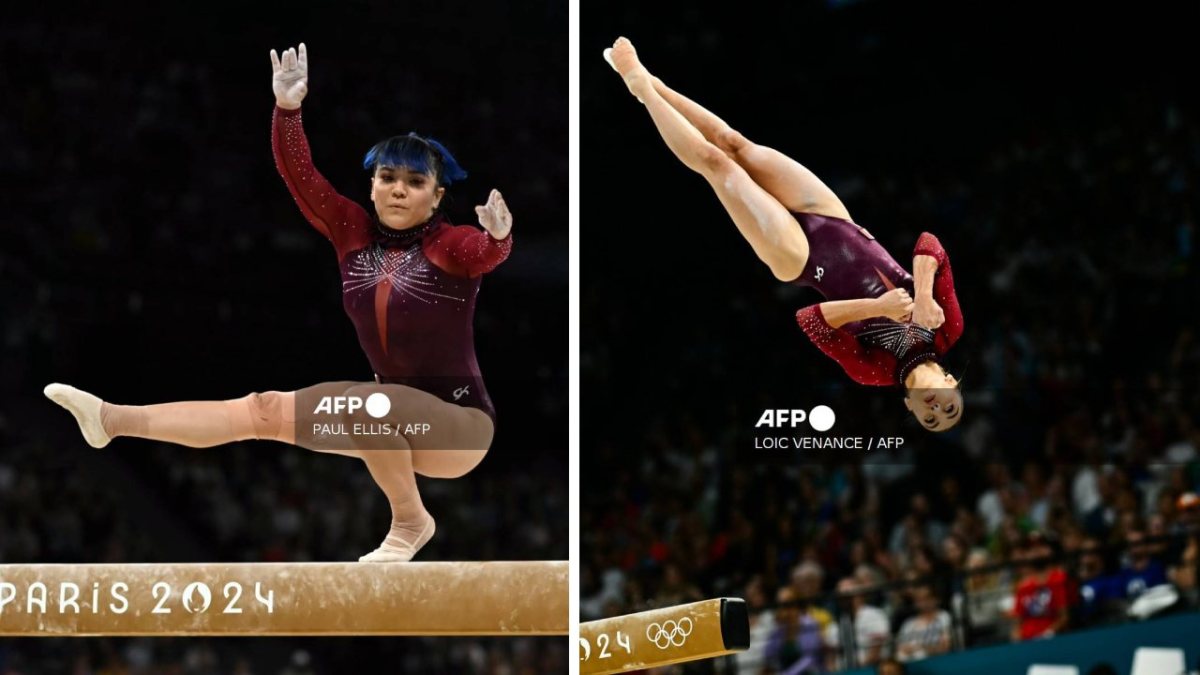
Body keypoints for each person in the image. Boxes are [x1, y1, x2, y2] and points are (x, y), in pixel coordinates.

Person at [44, 43, 514, 563]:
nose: (399, 191)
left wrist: (497, 238)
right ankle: (112, 420)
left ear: (437, 196)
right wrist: (287, 111)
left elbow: (482, 254)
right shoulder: (351, 231)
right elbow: (302, 178)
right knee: (262, 410)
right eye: (388, 178)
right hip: (381, 422)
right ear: (372, 185)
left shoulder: (446, 246)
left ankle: (410, 521)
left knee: (364, 404)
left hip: (459, 429)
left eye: (415, 182)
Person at [603, 37, 964, 431]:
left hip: (800, 259)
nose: (936, 409)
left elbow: (809, 320)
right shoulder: (947, 329)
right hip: (835, 220)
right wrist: (925, 296)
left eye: (930, 419)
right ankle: (654, 85)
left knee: (719, 165)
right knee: (735, 143)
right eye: (949, 409)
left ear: (911, 409)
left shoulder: (874, 372)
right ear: (951, 382)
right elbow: (929, 243)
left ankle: (640, 85)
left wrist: (879, 308)